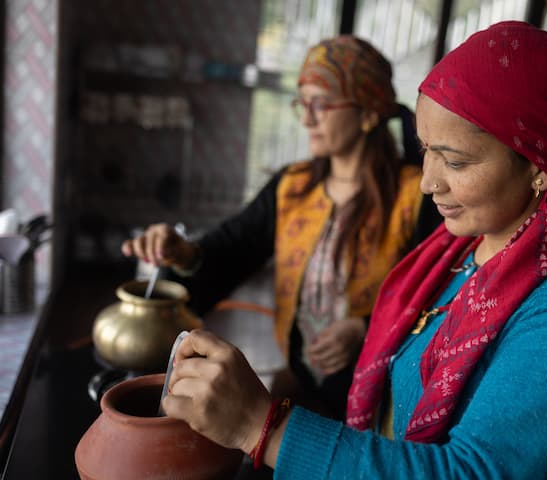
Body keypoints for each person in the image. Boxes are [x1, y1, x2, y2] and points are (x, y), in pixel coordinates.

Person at [161, 21, 547, 479]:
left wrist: (262, 428)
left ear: (541, 166)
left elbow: (470, 472)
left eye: (456, 161)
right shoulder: (461, 250)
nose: (426, 184)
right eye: (425, 152)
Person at [122, 35, 441, 420]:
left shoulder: (417, 195)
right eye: (302, 103)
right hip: (304, 388)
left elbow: (439, 295)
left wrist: (365, 328)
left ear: (369, 113)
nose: (306, 118)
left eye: (320, 104)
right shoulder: (293, 187)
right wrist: (182, 252)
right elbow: (231, 250)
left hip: (383, 402)